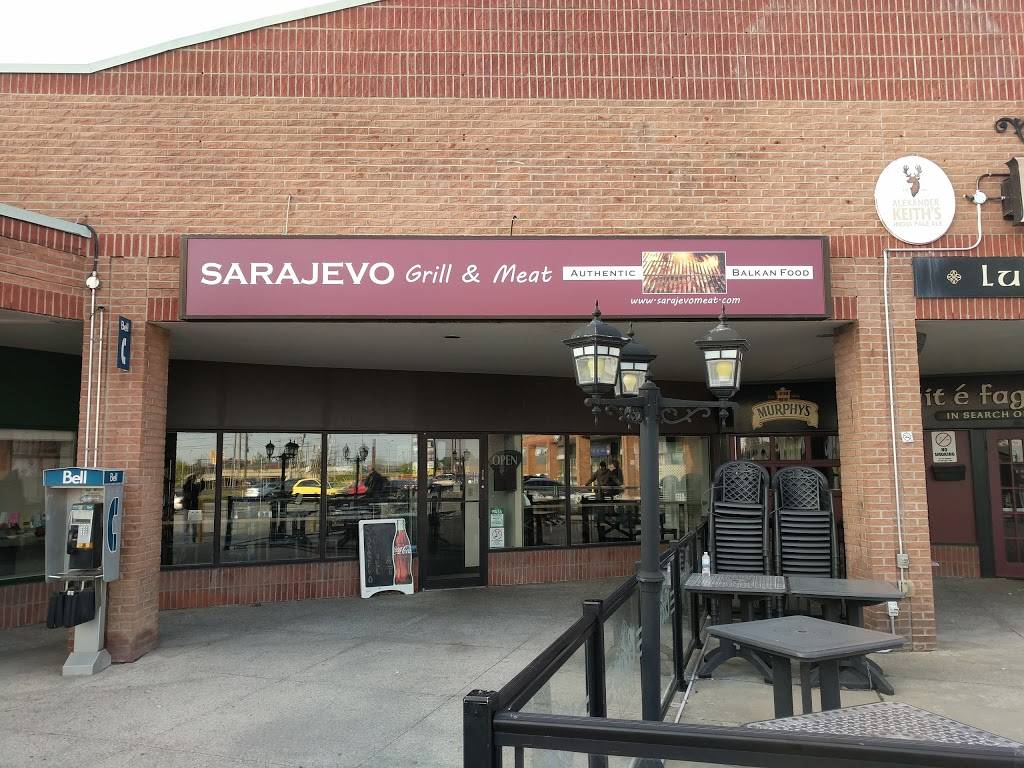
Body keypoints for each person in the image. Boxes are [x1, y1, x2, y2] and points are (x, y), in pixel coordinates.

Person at [182, 473, 206, 543]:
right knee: (194, 525)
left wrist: (202, 482)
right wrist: (202, 481)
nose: (195, 479)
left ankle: (187, 540)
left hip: (188, 507)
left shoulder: (186, 486)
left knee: (187, 525)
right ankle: (193, 539)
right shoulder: (193, 486)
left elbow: (200, 488)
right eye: (194, 478)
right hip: (193, 507)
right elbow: (201, 488)